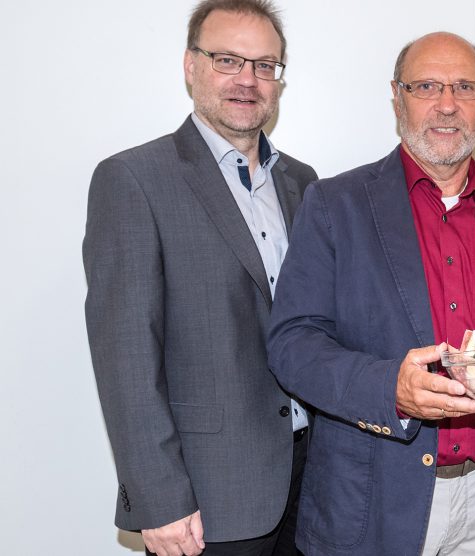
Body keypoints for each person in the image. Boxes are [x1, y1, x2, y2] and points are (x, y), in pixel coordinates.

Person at [266, 32, 475, 556]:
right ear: (397, 97)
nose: (446, 104)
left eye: (465, 87)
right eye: (426, 86)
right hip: (375, 503)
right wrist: (387, 387)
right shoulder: (334, 205)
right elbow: (291, 344)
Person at [82, 2, 317, 555]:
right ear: (191, 66)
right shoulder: (133, 180)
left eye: (265, 66)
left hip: (311, 482)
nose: (248, 80)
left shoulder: (302, 183)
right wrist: (158, 498)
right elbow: (125, 357)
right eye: (228, 59)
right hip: (207, 499)